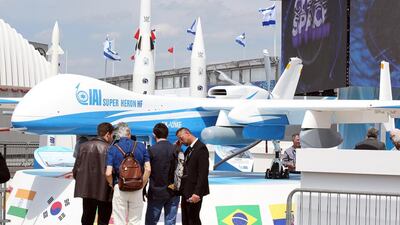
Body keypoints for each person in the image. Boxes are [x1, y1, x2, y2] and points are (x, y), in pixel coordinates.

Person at [105, 122, 151, 225]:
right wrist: (141, 184)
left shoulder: (113, 148)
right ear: (129, 134)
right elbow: (148, 169)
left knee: (119, 221)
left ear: (118, 135)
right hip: (137, 188)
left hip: (120, 187)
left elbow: (108, 173)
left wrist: (112, 184)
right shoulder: (141, 146)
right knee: (135, 221)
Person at [73, 122, 114, 225]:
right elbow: (112, 171)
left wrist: (82, 181)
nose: (113, 138)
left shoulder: (83, 147)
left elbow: (75, 170)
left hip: (87, 189)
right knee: (103, 220)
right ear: (108, 134)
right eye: (112, 135)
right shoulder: (109, 149)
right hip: (105, 190)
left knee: (87, 218)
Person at [145, 123, 180, 225]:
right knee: (170, 221)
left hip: (156, 191)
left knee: (151, 221)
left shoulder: (151, 150)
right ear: (167, 134)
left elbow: (147, 170)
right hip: (173, 191)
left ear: (154, 135)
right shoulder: (176, 149)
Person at [175, 127, 209, 225]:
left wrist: (197, 193)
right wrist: (177, 147)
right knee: (185, 220)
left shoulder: (201, 148)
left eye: (181, 138)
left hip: (194, 192)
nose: (181, 141)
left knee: (193, 220)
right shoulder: (189, 149)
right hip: (186, 191)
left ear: (187, 133)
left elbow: (203, 173)